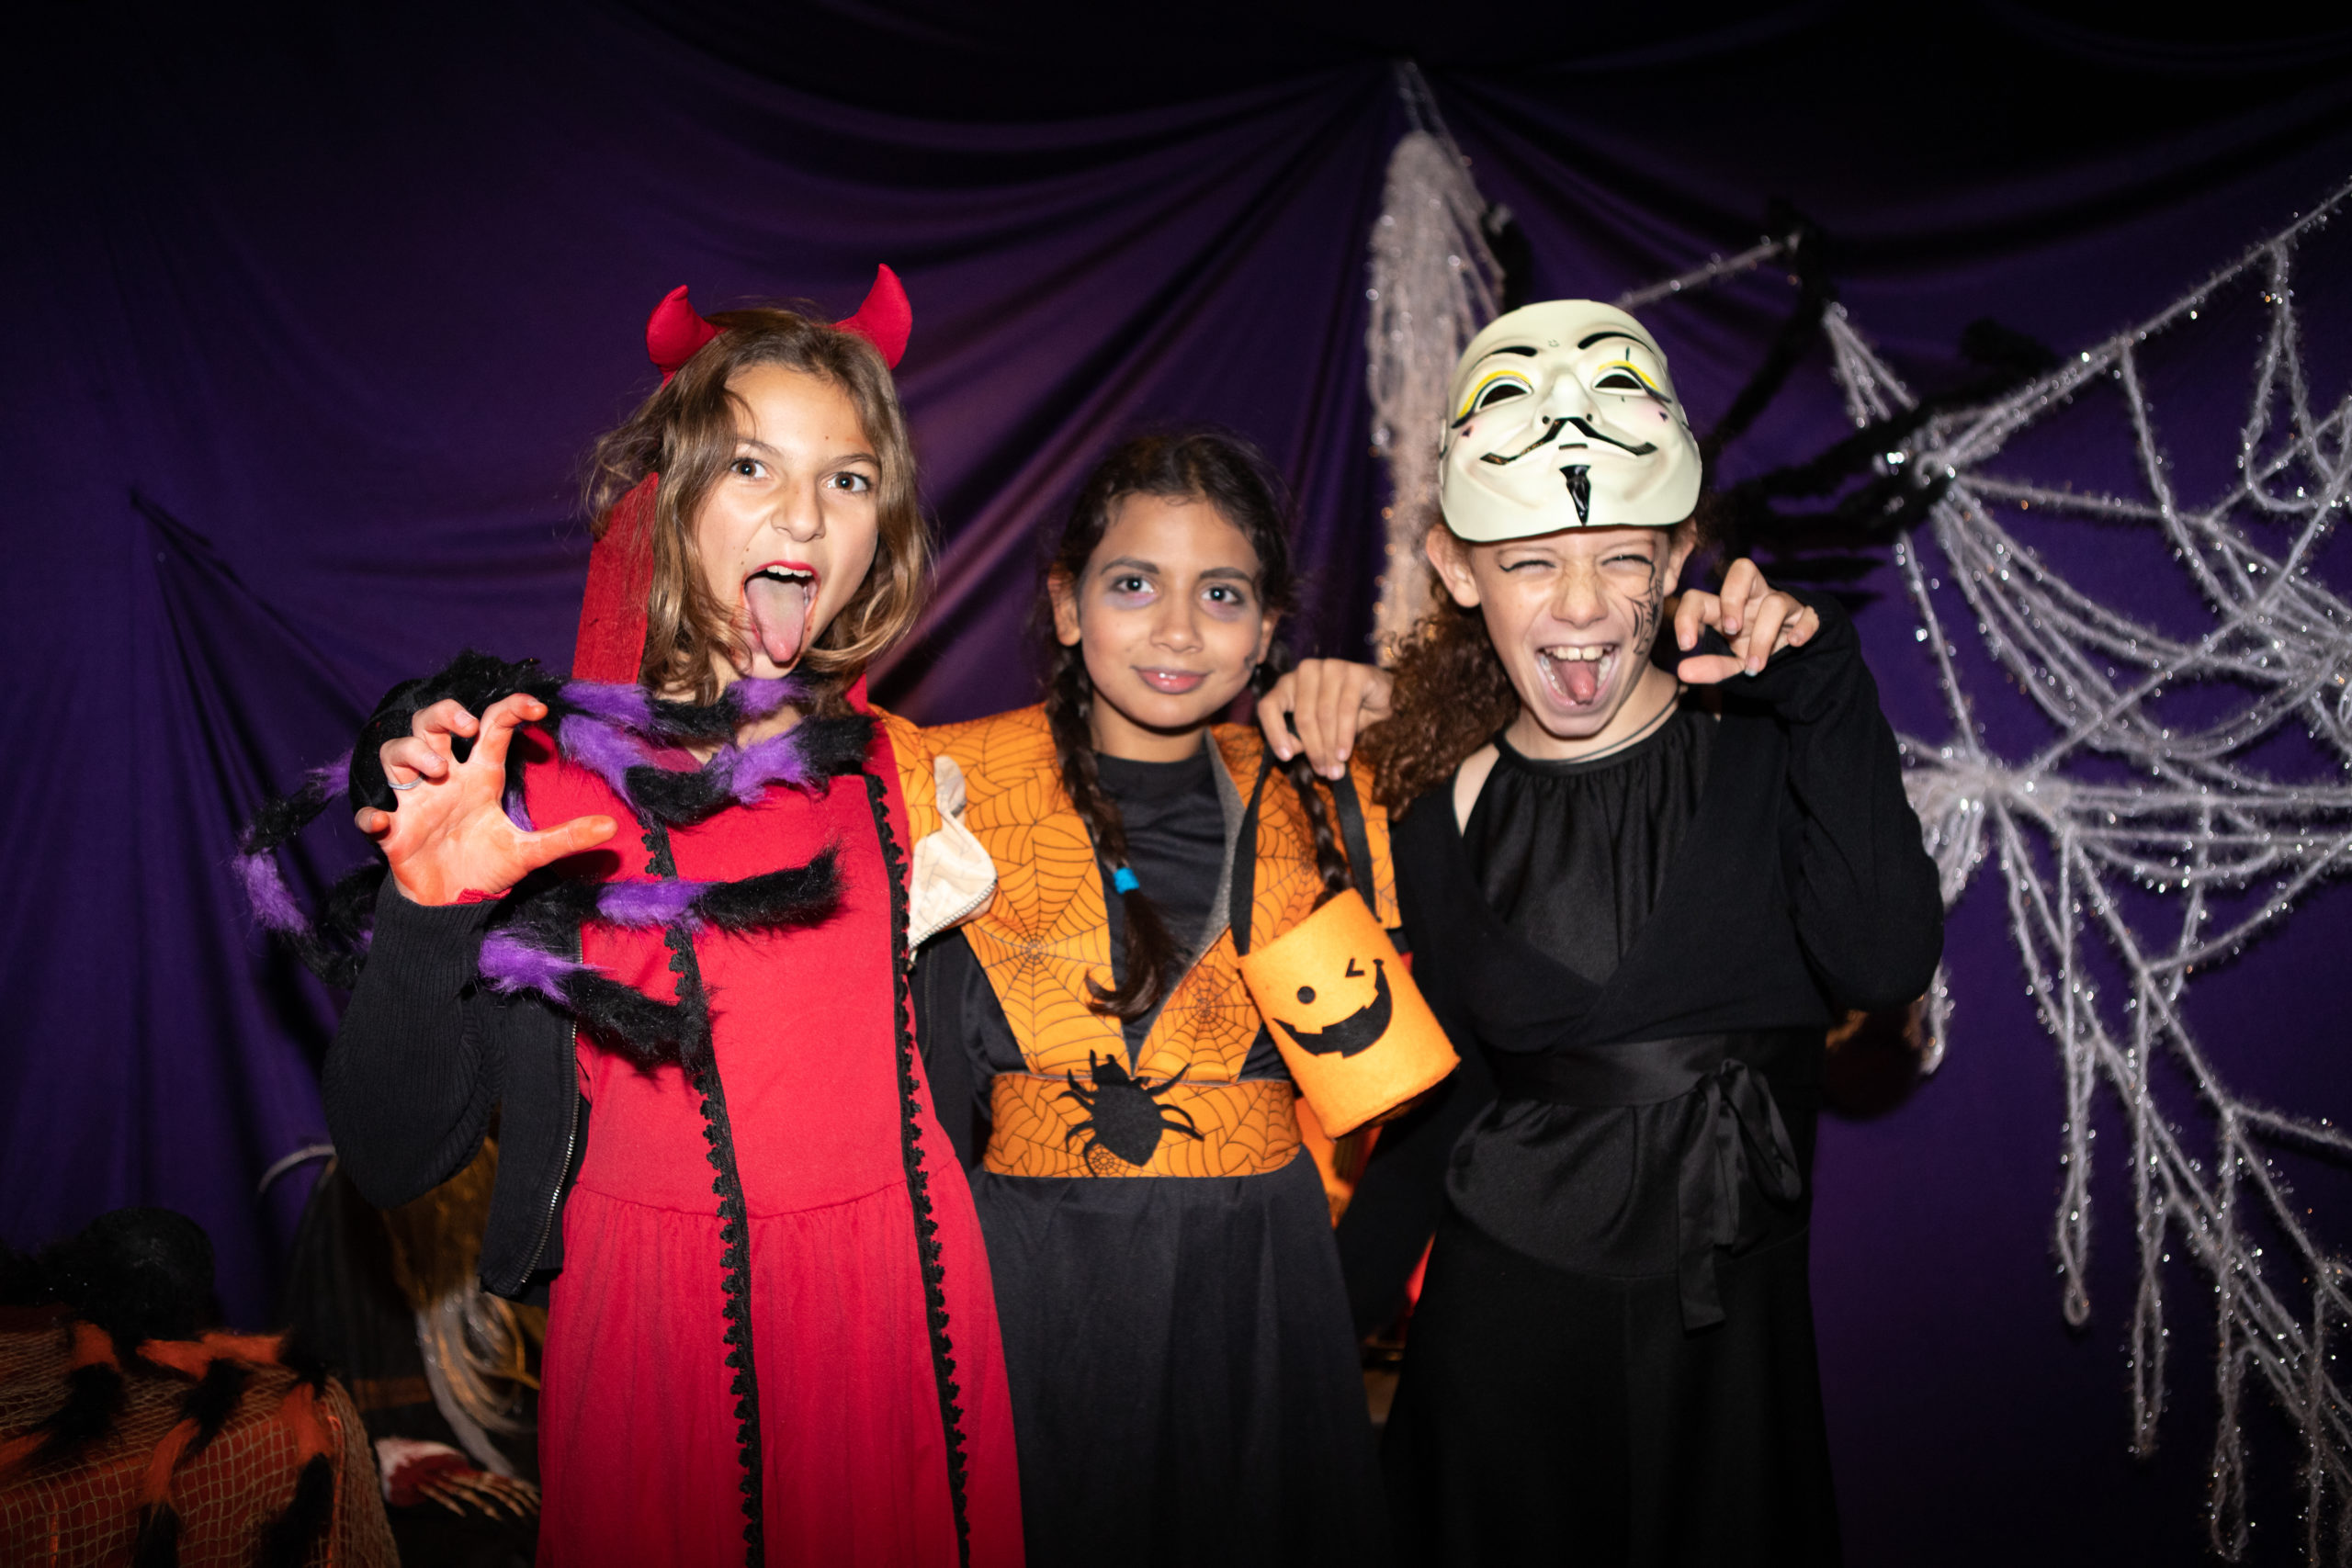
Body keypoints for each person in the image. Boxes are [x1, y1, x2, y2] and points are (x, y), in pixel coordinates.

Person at [320, 275, 1023, 1567]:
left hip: (900, 1317)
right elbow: (393, 1153)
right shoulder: (538, 793)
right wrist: (426, 915)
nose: (804, 512)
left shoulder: (906, 773)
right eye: (752, 464)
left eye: (849, 479)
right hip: (661, 1345)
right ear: (663, 496)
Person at [1260, 300, 1943, 1563]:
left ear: (1678, 555)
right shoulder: (1435, 807)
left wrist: (1827, 686)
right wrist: (1308, 1355)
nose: (1580, 606)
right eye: (1529, 561)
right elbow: (1441, 1113)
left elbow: (1884, 961)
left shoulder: (1770, 745)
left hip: (1725, 1366)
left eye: (1622, 557)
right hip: (1499, 1358)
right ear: (1456, 571)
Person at [907, 431, 1408, 1568]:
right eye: (1133, 585)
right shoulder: (946, 789)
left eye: (1221, 595)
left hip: (1264, 1295)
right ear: (1067, 605)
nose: (1178, 631)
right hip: (1026, 1296)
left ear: (1268, 630)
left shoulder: (1334, 799)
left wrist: (1392, 702)